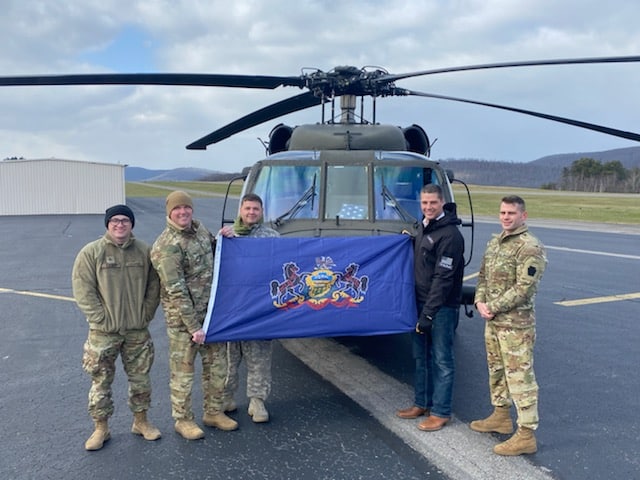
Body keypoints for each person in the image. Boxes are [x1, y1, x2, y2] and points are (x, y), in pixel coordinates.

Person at [72, 204, 161, 451]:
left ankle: (141, 422)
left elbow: (154, 286)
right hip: (103, 334)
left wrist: (146, 313)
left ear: (132, 224)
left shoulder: (144, 251)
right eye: (115, 221)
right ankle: (101, 428)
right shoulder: (91, 253)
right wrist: (100, 318)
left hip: (136, 331)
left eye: (125, 220)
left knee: (141, 380)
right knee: (101, 382)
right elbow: (83, 290)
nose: (120, 224)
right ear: (107, 224)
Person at [151, 190, 237, 440]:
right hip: (184, 324)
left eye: (186, 208)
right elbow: (175, 290)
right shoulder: (166, 246)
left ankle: (213, 412)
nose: (183, 212)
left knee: (217, 368)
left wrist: (223, 237)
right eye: (177, 209)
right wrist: (193, 327)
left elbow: (215, 252)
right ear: (169, 212)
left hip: (211, 317)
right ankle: (183, 419)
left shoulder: (199, 231)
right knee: (183, 374)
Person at [470, 195, 547, 456]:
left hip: (516, 326)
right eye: (502, 212)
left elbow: (524, 288)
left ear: (523, 216)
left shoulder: (529, 247)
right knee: (497, 371)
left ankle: (526, 434)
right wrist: (479, 300)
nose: (505, 217)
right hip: (493, 322)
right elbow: (481, 276)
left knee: (520, 377)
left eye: (511, 213)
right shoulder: (495, 242)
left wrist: (493, 306)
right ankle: (501, 416)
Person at [396, 184, 464, 432]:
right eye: (424, 203)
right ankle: (421, 403)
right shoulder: (423, 227)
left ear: (442, 202)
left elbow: (443, 279)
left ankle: (441, 411)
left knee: (442, 359)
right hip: (419, 303)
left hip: (440, 308)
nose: (428, 207)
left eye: (433, 203)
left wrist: (428, 313)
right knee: (420, 357)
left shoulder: (451, 236)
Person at [219, 193, 280, 423]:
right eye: (247, 208)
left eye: (256, 209)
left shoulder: (273, 237)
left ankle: (257, 401)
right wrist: (223, 240)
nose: (251, 212)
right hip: (233, 307)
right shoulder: (227, 236)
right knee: (228, 358)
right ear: (240, 210)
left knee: (259, 357)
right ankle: (225, 397)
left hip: (260, 308)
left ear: (261, 212)